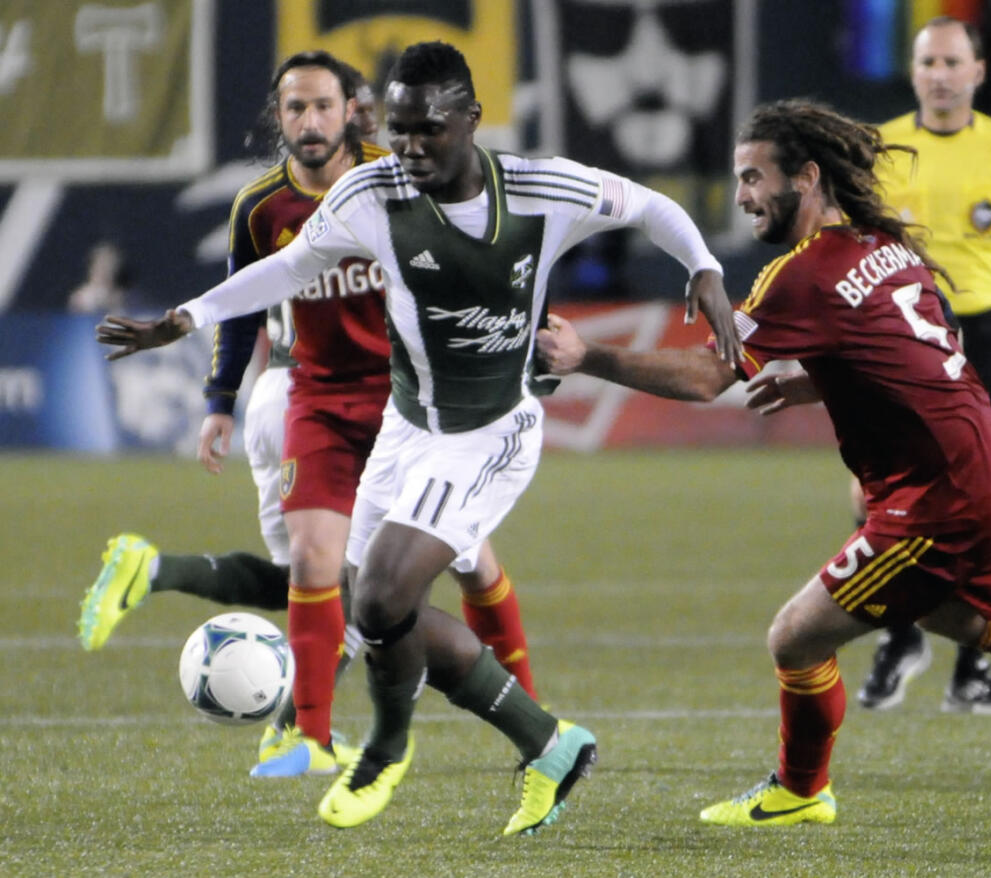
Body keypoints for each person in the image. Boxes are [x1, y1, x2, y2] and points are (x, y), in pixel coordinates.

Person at [96, 40, 740, 833]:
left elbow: (651, 207)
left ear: (470, 120)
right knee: (369, 617)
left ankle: (386, 753)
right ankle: (549, 742)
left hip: (491, 432)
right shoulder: (371, 192)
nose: (411, 148)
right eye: (398, 130)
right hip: (407, 428)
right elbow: (291, 268)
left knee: (383, 594)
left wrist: (703, 267)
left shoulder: (542, 189)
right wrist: (188, 317)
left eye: (429, 130)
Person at [534, 97, 991, 827]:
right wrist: (824, 377)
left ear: (805, 177)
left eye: (753, 178)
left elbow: (711, 376)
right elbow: (934, 332)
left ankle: (801, 790)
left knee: (795, 639)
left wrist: (588, 356)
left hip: (941, 493)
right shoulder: (883, 242)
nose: (742, 196)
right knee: (967, 617)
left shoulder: (802, 274)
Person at [77, 54, 542, 772]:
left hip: (412, 404)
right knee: (320, 573)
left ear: (353, 110)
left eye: (323, 105)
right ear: (279, 117)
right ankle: (304, 734)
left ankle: (526, 713)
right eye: (295, 108)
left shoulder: (404, 179)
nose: (310, 122)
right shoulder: (263, 208)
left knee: (458, 565)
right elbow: (243, 303)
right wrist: (218, 402)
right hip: (308, 397)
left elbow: (487, 258)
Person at [854, 15, 991, 714]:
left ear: (978, 72)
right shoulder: (883, 149)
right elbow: (854, 248)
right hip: (903, 336)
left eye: (952, 62)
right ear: (913, 72)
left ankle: (971, 669)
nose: (939, 75)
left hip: (982, 333)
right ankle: (897, 636)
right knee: (877, 493)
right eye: (928, 63)